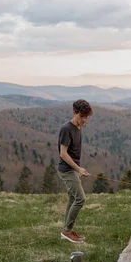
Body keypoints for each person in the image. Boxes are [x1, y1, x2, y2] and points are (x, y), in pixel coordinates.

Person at [57, 99, 93, 243]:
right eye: (81, 117)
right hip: (67, 170)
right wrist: (78, 168)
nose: (84, 120)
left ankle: (67, 230)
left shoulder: (79, 128)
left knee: (73, 198)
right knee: (80, 199)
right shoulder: (66, 129)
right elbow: (63, 154)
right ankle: (67, 231)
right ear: (74, 113)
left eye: (86, 117)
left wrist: (79, 169)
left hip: (74, 169)